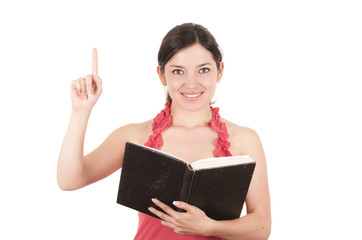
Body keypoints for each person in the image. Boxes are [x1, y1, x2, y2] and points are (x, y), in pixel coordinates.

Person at [57, 23, 271, 240]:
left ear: (220, 71)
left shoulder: (244, 140)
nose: (191, 83)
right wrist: (80, 111)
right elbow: (69, 180)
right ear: (161, 75)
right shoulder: (135, 136)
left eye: (203, 70)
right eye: (178, 71)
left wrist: (209, 227)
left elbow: (262, 227)